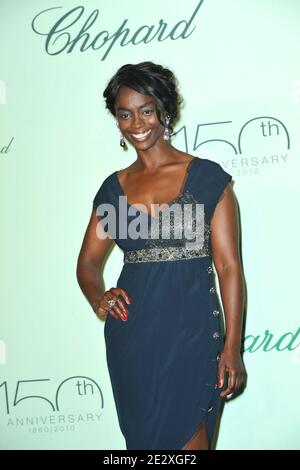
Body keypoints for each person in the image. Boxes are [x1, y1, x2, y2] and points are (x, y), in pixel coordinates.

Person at [76, 61, 246, 451]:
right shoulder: (112, 190)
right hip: (133, 338)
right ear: (116, 120)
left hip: (193, 334)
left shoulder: (206, 178)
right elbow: (88, 263)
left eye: (146, 110)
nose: (136, 123)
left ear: (164, 112)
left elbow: (229, 267)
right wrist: (97, 297)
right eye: (125, 113)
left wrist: (232, 346)